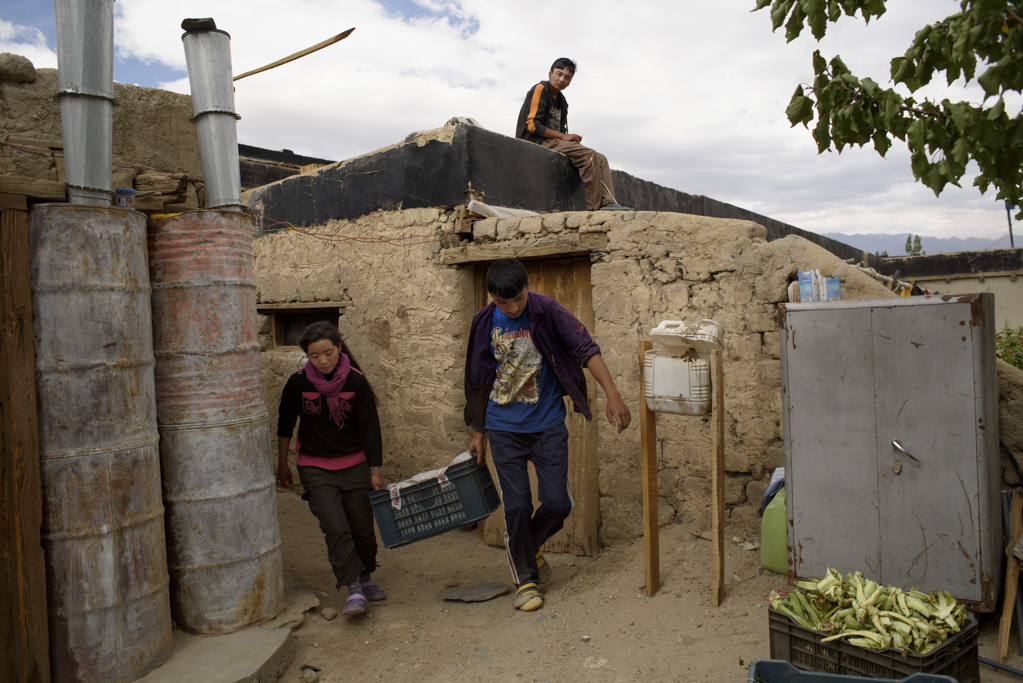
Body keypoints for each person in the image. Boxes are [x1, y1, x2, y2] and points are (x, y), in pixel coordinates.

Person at [463, 258, 631, 612]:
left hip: (548, 425)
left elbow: (586, 348)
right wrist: (477, 432)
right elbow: (477, 378)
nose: (512, 308)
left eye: (518, 300)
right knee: (518, 505)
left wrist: (613, 394)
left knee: (558, 504)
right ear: (492, 297)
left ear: (527, 287)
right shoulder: (483, 322)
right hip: (502, 428)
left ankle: (527, 543)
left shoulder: (546, 310)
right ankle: (526, 579)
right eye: (502, 303)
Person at [277, 321, 387, 617]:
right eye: (315, 355)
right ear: (307, 356)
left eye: (328, 352)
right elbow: (285, 424)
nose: (323, 360)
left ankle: (365, 576)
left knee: (361, 528)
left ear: (339, 348)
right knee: (336, 528)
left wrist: (376, 469)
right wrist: (282, 463)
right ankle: (352, 587)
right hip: (315, 467)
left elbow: (370, 429)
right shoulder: (298, 383)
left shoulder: (356, 382)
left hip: (355, 466)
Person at [516, 58, 631, 212]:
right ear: (550, 74)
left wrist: (569, 138)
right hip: (535, 141)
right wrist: (564, 137)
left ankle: (608, 203)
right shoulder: (540, 89)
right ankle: (594, 208)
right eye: (559, 74)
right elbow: (532, 125)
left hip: (553, 141)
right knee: (588, 155)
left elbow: (561, 131)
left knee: (601, 159)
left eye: (567, 78)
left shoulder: (562, 101)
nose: (562, 79)